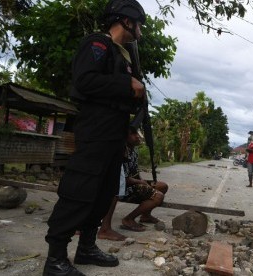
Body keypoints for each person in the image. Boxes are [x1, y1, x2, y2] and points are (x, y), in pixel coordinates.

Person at [43, 0, 146, 275]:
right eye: (138, 24)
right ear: (126, 21)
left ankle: (86, 247)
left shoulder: (122, 55)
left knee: (103, 193)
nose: (140, 31)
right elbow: (84, 81)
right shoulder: (97, 44)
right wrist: (128, 84)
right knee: (80, 190)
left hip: (114, 133)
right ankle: (55, 259)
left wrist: (128, 128)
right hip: (96, 128)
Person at [97, 127, 168, 241]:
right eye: (133, 134)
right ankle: (128, 219)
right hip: (123, 187)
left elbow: (134, 173)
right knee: (158, 196)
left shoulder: (134, 151)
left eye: (138, 134)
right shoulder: (121, 151)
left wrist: (143, 182)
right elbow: (122, 178)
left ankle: (145, 215)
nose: (137, 136)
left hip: (132, 183)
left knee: (162, 186)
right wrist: (140, 183)